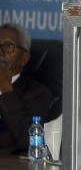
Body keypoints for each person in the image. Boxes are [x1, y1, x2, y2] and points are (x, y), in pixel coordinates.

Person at [0, 23, 54, 153]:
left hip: (11, 167)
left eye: (8, 47)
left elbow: (27, 139)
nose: (0, 52)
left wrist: (5, 87)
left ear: (24, 59)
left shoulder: (38, 93)